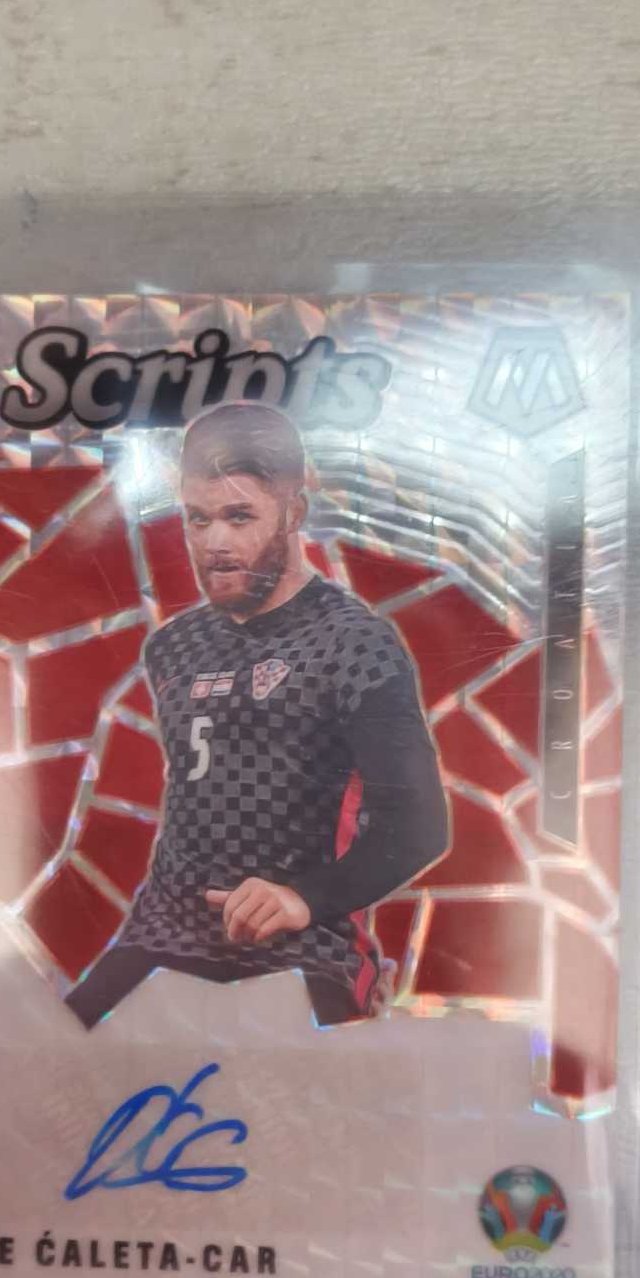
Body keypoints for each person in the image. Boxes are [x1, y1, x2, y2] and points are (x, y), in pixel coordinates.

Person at [65, 400, 449, 1029]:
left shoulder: (355, 643)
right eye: (198, 518)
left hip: (306, 945)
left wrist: (305, 898)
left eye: (239, 516)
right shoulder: (173, 647)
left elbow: (420, 825)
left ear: (294, 512)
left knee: (291, 1082)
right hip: (164, 934)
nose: (214, 543)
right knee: (57, 1051)